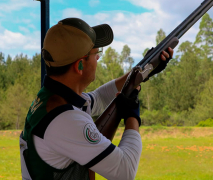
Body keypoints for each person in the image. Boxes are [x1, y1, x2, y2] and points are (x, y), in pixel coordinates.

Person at [19, 17, 173, 180]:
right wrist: (132, 114)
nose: (98, 58)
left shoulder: (53, 99)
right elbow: (125, 171)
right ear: (79, 65)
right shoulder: (65, 119)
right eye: (96, 53)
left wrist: (143, 71)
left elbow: (99, 98)